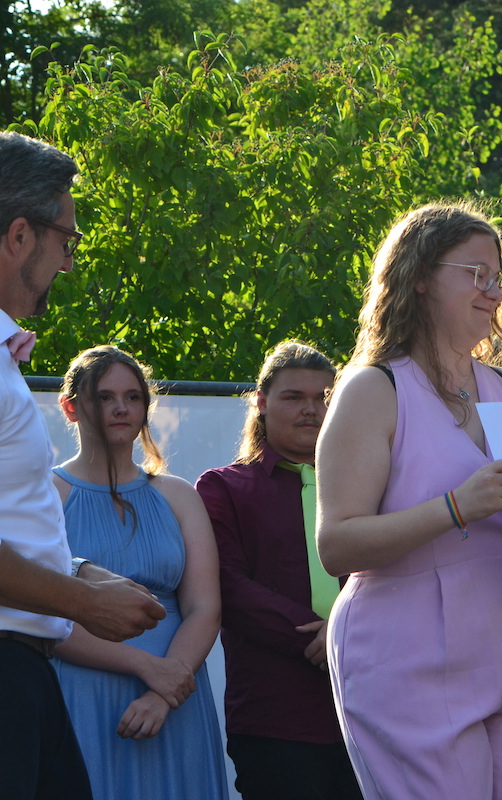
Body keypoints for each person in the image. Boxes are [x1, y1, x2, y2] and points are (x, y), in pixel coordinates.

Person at [316, 202, 502, 799]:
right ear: (421, 277)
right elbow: (336, 544)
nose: (494, 292)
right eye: (476, 274)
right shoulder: (374, 388)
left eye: (499, 278)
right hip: (408, 654)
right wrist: (455, 508)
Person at [0, 131, 165, 799]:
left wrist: (72, 570)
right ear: (19, 236)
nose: (68, 264)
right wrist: (83, 601)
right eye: (67, 241)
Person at [50, 346, 227, 799]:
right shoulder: (47, 494)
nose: (121, 408)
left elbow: (205, 608)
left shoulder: (179, 495)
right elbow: (41, 613)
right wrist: (148, 668)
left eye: (133, 397)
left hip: (176, 701)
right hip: (83, 695)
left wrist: (164, 692)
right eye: (104, 397)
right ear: (70, 408)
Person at [196, 341, 362, 800]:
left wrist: (348, 632)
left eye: (323, 397)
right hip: (275, 714)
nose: (311, 409)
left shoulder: (372, 488)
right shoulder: (223, 488)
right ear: (261, 402)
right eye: (294, 397)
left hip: (371, 709)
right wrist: (330, 637)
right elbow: (229, 586)